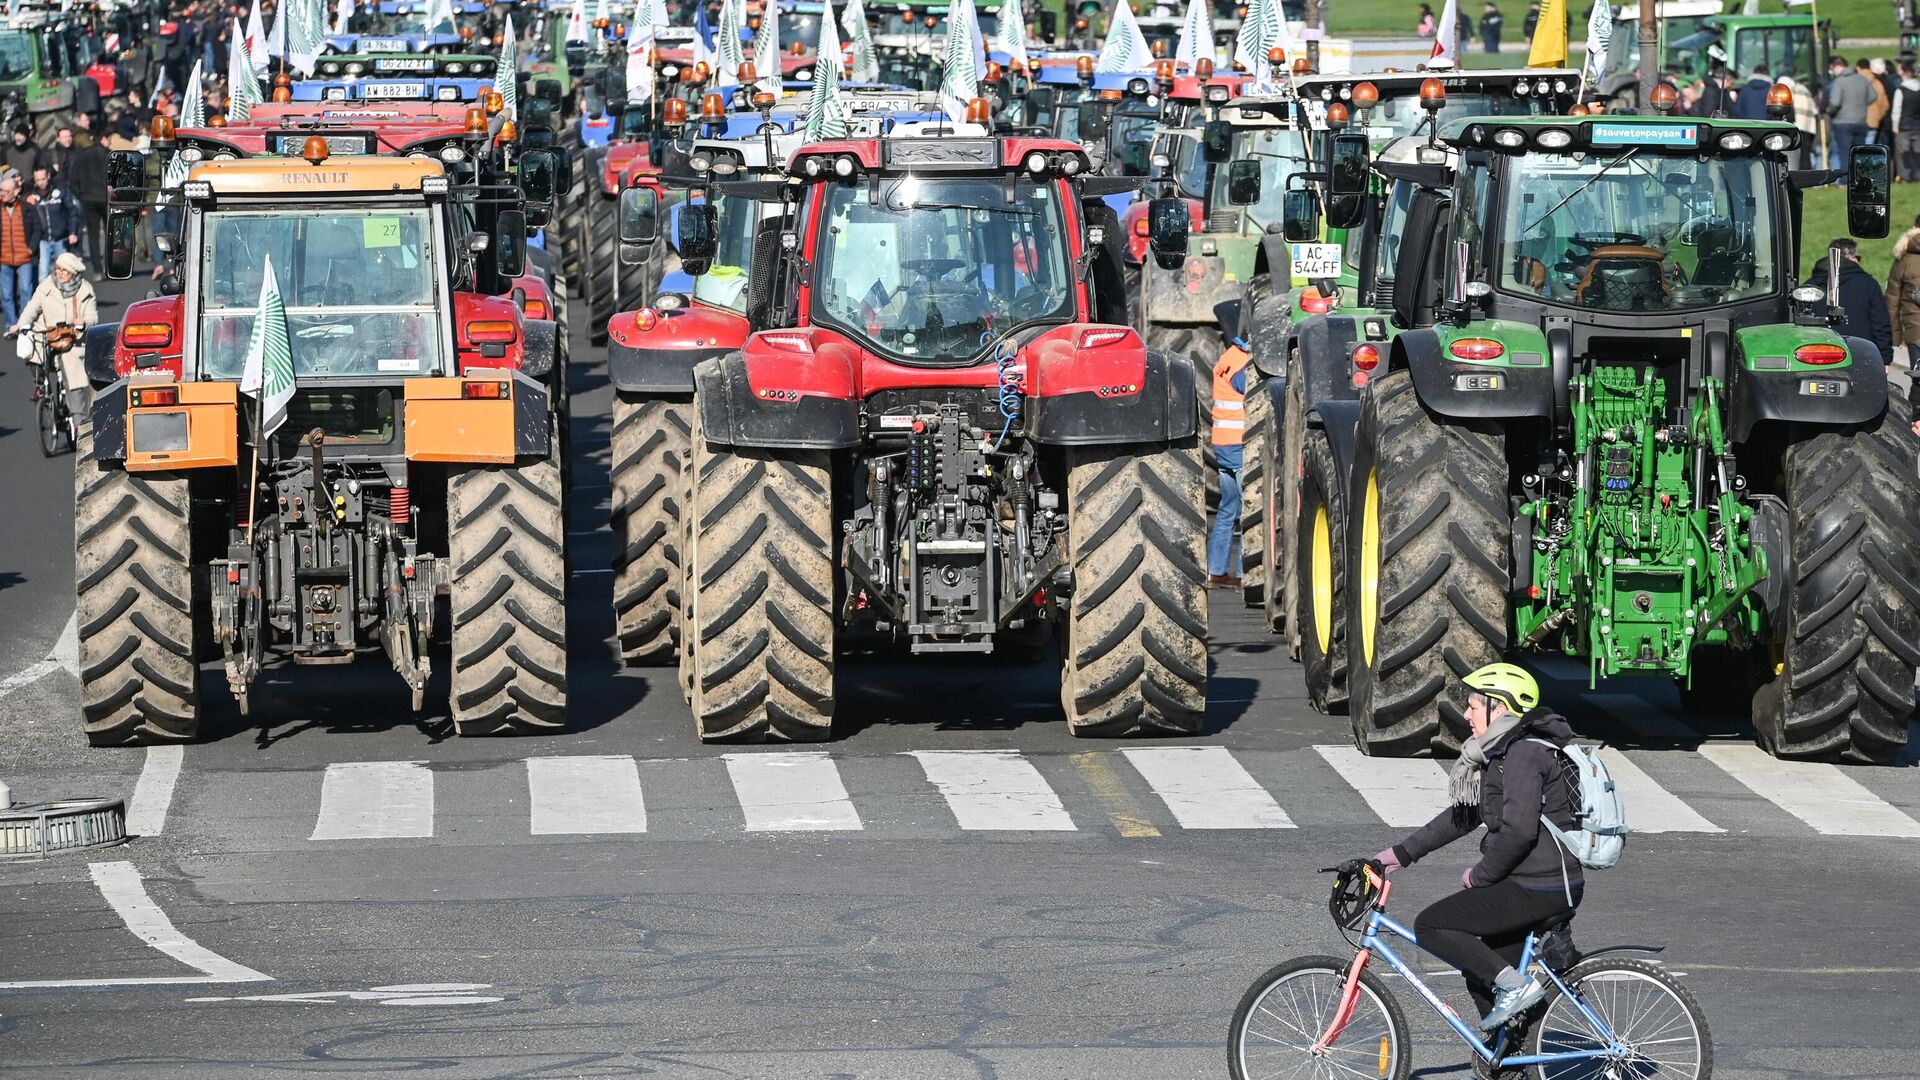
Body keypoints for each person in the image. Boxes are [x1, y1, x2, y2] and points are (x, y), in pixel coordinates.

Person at [1368, 664, 1582, 1033]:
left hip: (1541, 885)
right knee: (1481, 972)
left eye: (1472, 706)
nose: (1466, 714)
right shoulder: (1502, 753)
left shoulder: (1523, 754)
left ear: (1499, 709)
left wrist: (1479, 876)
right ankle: (1506, 1061)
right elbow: (1464, 816)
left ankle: (1516, 989)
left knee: (1432, 924)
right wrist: (1396, 857)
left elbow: (1517, 832)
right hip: (1530, 880)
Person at [9, 252, 97, 421]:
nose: (60, 273)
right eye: (58, 269)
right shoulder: (46, 287)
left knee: (74, 377)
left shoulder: (85, 290)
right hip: (47, 336)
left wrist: (84, 322)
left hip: (72, 340)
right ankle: (40, 387)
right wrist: (19, 326)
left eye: (65, 271)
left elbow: (93, 316)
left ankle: (79, 421)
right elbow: (31, 308)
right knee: (33, 352)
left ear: (74, 273)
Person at [1207, 339, 1250, 589]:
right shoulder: (1242, 364)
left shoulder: (1229, 356)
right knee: (1249, 509)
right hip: (1239, 444)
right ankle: (1246, 574)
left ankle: (1217, 572)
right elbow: (1248, 389)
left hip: (1223, 444)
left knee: (1228, 509)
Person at [1811, 238, 1894, 361]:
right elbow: (1880, 323)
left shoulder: (1811, 286)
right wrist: (1885, 358)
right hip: (1862, 353)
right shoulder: (1868, 284)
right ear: (1852, 258)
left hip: (1819, 353)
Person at [0, 174, 43, 328]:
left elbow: (38, 228)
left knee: (26, 291)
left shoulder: (27, 207)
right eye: (1, 190)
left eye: (5, 191)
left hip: (25, 257)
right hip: (4, 259)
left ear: (15, 191)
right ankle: (11, 324)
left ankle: (25, 324)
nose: (2, 194)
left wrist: (31, 248)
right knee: (6, 295)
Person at [27, 166, 79, 281]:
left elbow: (72, 211)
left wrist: (73, 232)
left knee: (64, 273)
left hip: (60, 238)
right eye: (38, 180)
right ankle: (45, 298)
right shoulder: (31, 195)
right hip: (42, 240)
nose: (41, 183)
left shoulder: (60, 190)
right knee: (43, 273)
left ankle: (64, 297)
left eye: (43, 179)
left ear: (48, 176)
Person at [1825, 56, 1872, 175]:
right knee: (1860, 154)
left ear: (1838, 67)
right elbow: (1873, 96)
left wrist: (1828, 111)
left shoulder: (1839, 81)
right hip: (1861, 121)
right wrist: (1861, 105)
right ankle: (1860, 178)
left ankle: (1845, 179)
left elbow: (1835, 102)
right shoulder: (1863, 79)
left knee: (1845, 153)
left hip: (1843, 123)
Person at [1886, 214, 1920, 368]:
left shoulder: (1903, 258)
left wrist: (1896, 337)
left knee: (1918, 382)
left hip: (1915, 332)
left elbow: (1892, 302)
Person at [1893, 62, 1920, 182]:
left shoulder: (1901, 90)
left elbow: (1896, 110)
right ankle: (1917, 175)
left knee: (1903, 153)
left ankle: (1906, 176)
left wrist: (1895, 125)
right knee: (1917, 152)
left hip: (1904, 126)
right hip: (1917, 126)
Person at [1864, 58, 1892, 145]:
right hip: (1883, 119)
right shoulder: (1890, 82)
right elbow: (1885, 104)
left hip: (1872, 119)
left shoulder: (1875, 83)